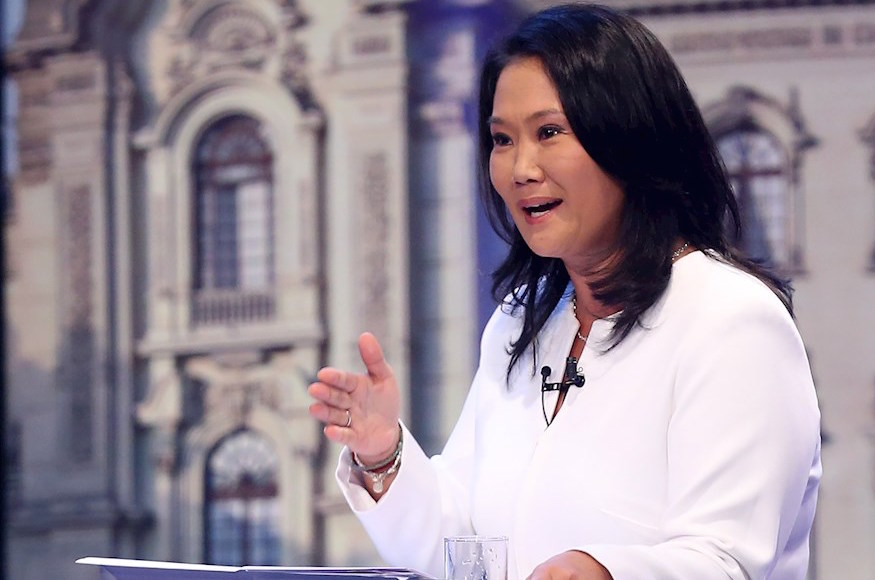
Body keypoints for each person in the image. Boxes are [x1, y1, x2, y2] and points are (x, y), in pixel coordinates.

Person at [307, 4, 821, 579]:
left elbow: (726, 560)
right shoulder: (520, 319)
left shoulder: (732, 319)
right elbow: (467, 549)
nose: (520, 168)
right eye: (502, 139)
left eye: (549, 133)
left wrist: (601, 570)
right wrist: (384, 455)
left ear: (628, 137)